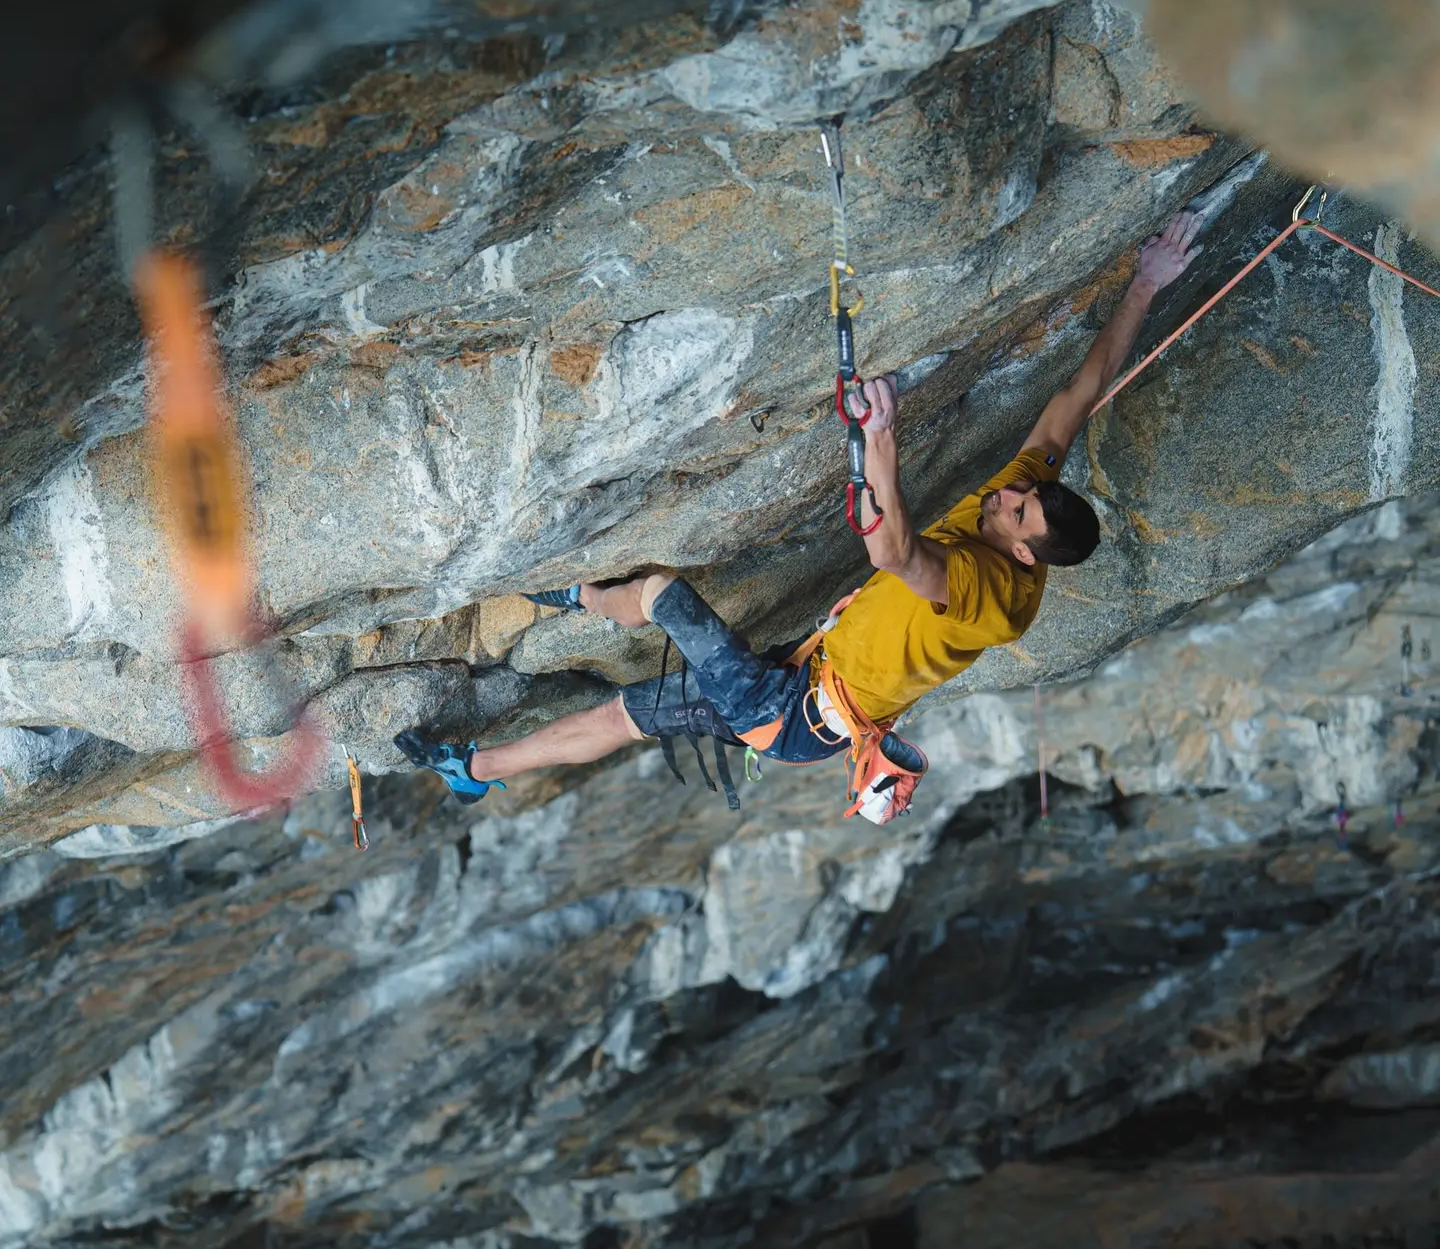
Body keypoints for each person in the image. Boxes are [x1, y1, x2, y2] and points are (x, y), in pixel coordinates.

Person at [395, 211, 1202, 806]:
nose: (1013, 492)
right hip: (803, 681)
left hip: (791, 714)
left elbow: (895, 555)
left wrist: (880, 436)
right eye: (1026, 492)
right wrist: (1145, 284)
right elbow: (1076, 398)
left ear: (1024, 551)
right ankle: (474, 772)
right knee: (622, 719)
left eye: (1020, 511)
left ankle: (584, 598)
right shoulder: (1022, 511)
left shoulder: (993, 598)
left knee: (660, 593)